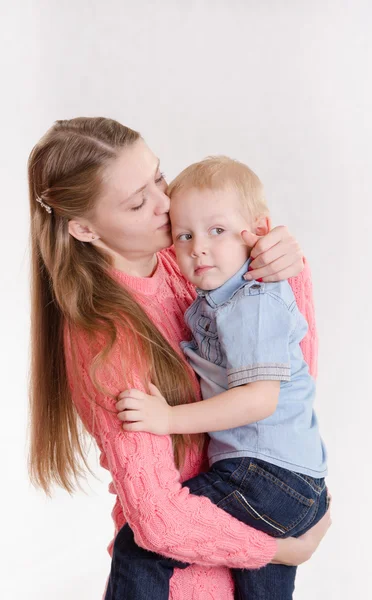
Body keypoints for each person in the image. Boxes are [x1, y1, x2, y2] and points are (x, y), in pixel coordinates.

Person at [28, 117, 331, 600]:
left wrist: (282, 266)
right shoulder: (109, 341)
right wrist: (283, 550)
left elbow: (284, 374)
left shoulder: (185, 256)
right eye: (137, 202)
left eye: (158, 179)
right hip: (184, 583)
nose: (165, 205)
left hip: (247, 514)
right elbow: (158, 520)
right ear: (84, 228)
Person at [114, 156, 329, 599]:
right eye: (185, 236)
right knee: (260, 585)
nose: (199, 249)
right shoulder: (219, 297)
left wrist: (167, 419)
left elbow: (258, 401)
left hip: (265, 473)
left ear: (257, 231)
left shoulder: (249, 301)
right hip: (292, 477)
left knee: (141, 543)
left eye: (217, 231)